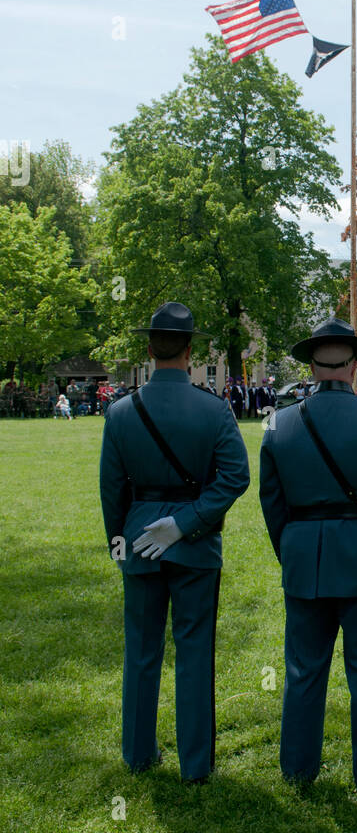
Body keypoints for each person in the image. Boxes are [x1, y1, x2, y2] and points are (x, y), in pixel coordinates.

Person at [259, 317, 357, 800]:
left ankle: (297, 770)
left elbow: (272, 503)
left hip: (305, 559)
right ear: (353, 368)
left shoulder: (279, 423)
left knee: (304, 671)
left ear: (312, 367)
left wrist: (293, 550)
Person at [99, 302, 250, 782]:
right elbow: (235, 477)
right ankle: (196, 764)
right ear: (191, 350)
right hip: (195, 542)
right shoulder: (213, 408)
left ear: (149, 348)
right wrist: (188, 522)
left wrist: (119, 542)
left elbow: (111, 488)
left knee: (141, 653)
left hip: (140, 536)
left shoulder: (120, 411)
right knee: (194, 652)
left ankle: (138, 755)